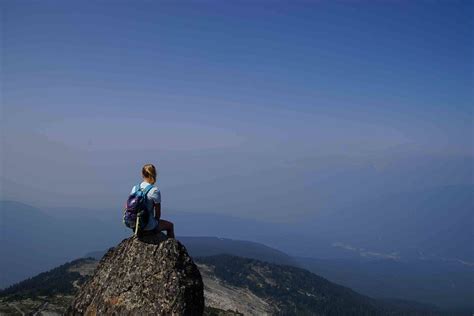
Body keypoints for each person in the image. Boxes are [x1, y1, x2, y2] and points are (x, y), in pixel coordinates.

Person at [130, 163, 175, 238]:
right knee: (170, 226)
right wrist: (155, 223)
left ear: (142, 174)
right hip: (148, 226)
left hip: (134, 225)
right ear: (154, 174)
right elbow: (158, 213)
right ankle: (172, 247)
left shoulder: (135, 188)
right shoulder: (154, 190)